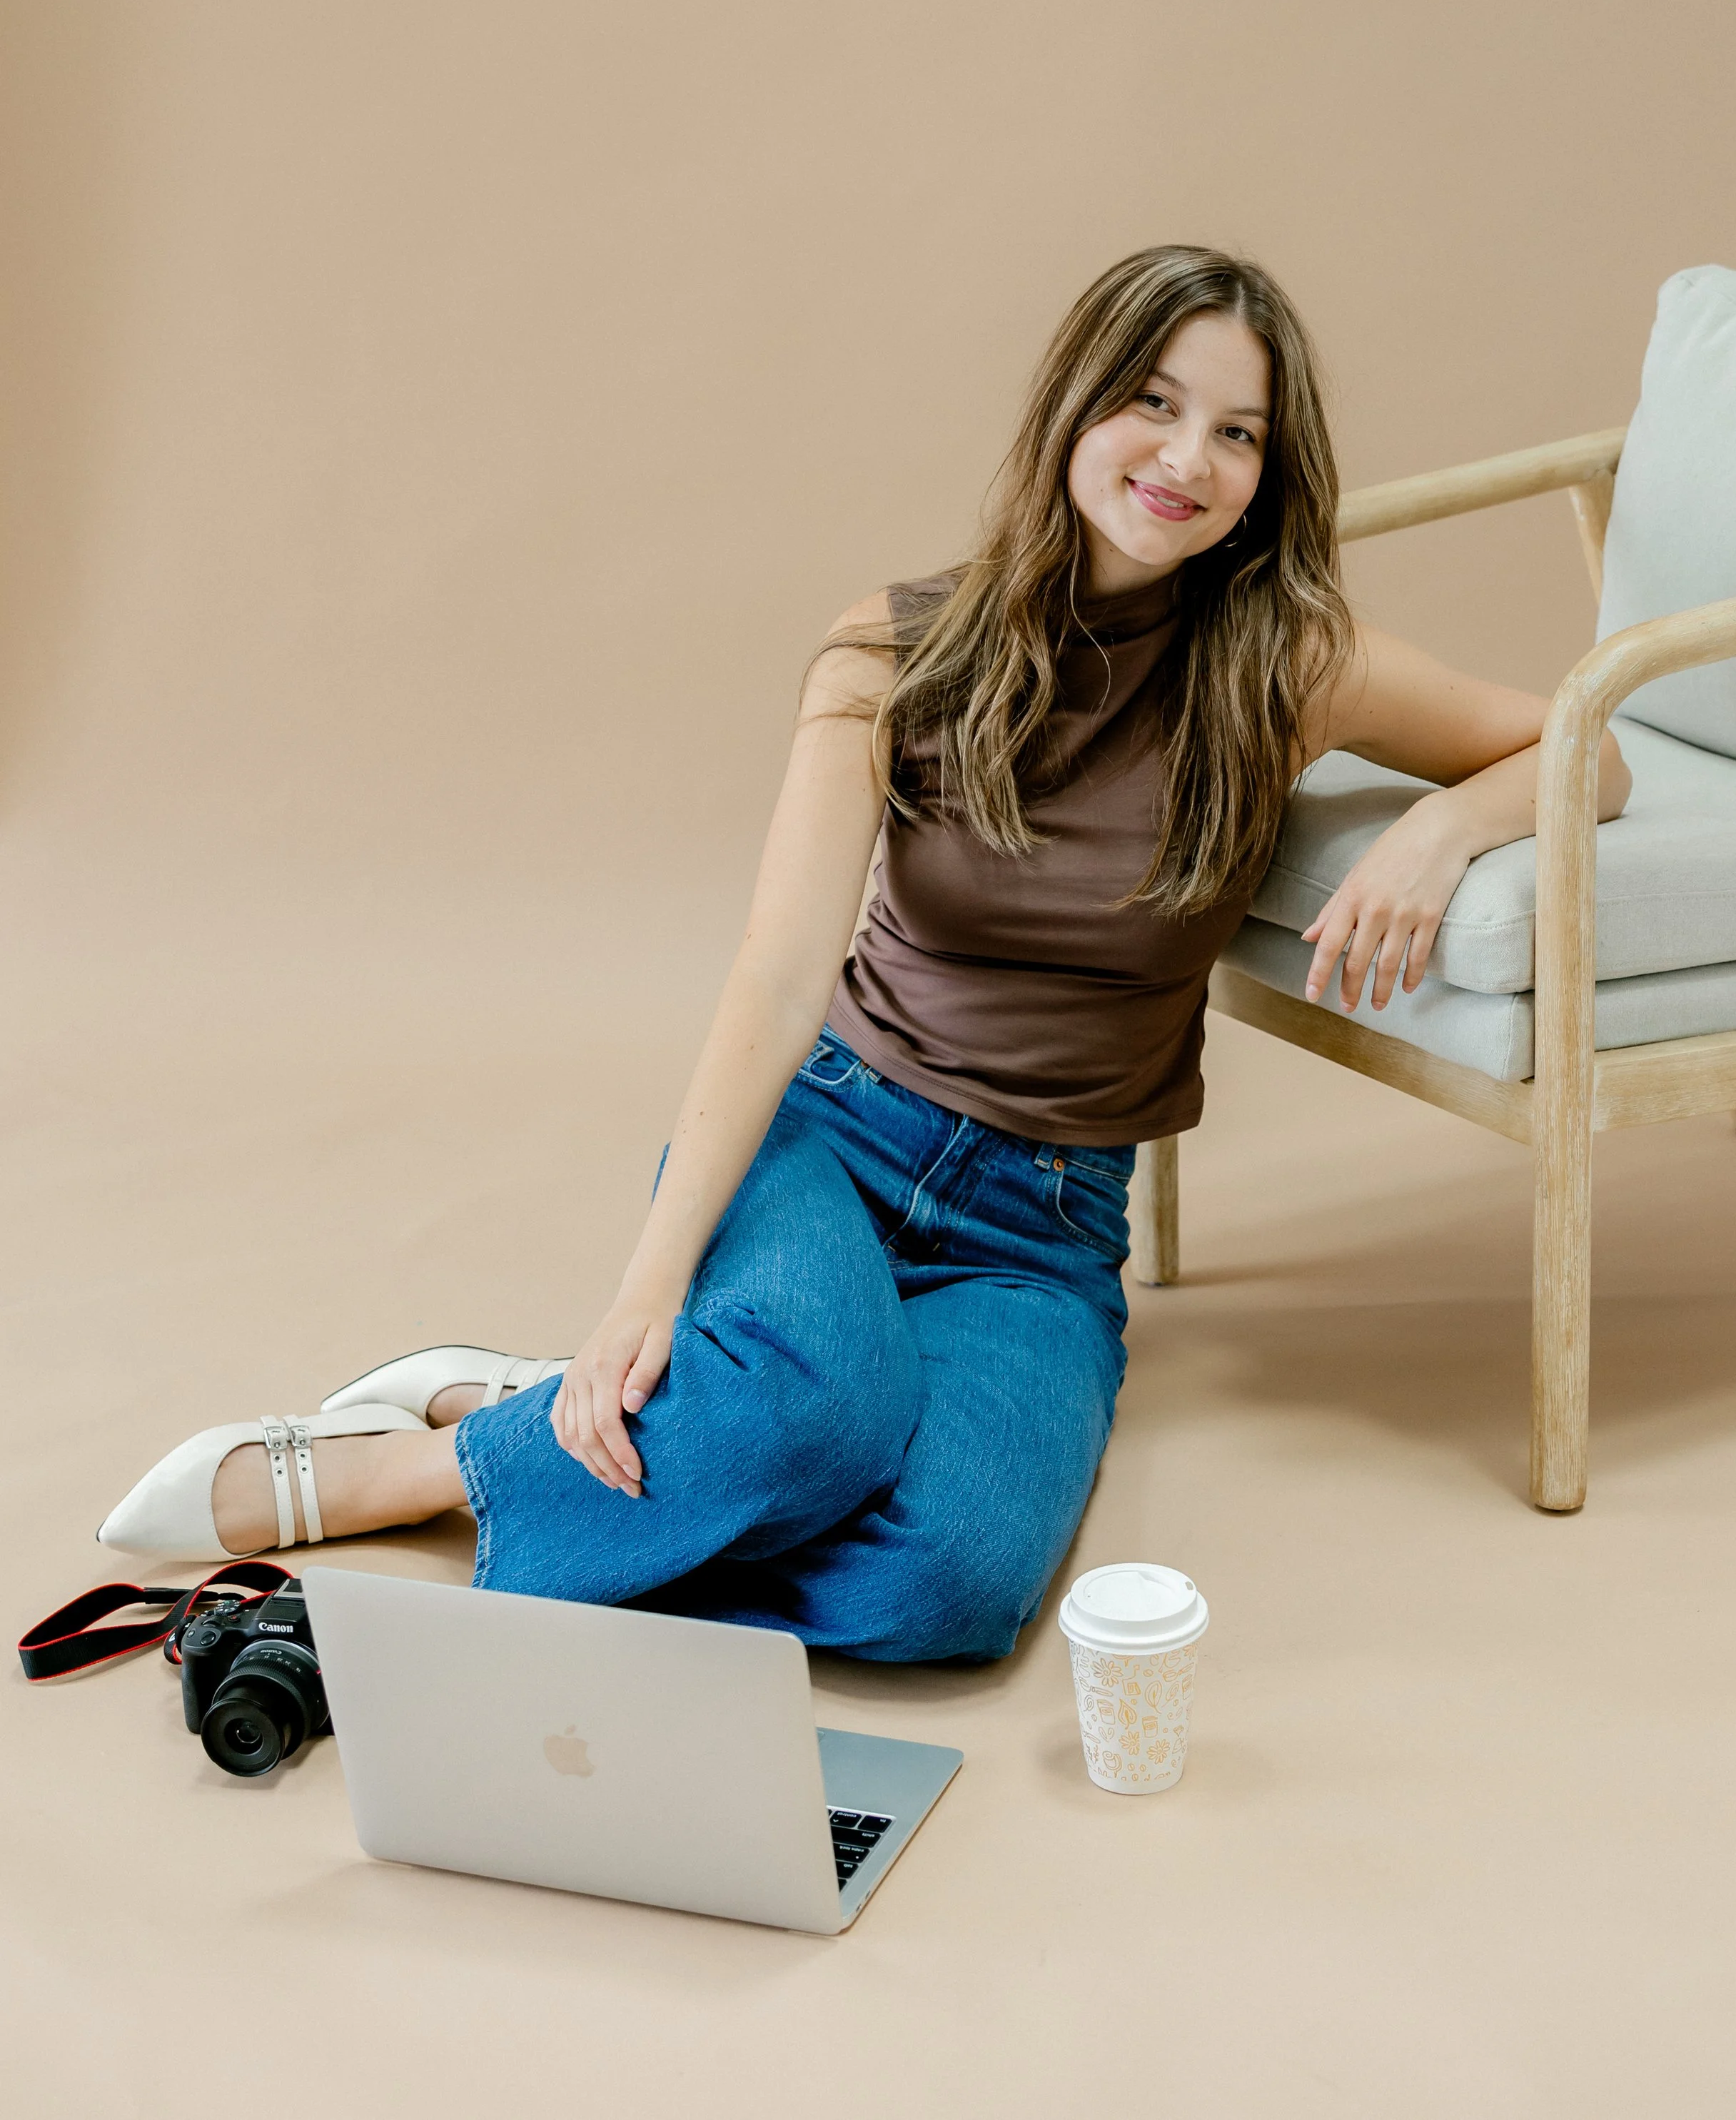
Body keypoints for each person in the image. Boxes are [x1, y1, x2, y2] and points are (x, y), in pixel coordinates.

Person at [99, 246, 1630, 1661]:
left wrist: (1440, 830)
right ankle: (405, 1468)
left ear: (1266, 475)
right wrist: (644, 1289)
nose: (1187, 459)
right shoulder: (900, 650)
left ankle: (581, 1428)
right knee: (818, 1418)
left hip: (1040, 1230)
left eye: (1237, 433)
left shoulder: (1287, 664)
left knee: (944, 1587)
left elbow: (1591, 753)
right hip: (831, 1140)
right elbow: (777, 979)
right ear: (1073, 404)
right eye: (1153, 403)